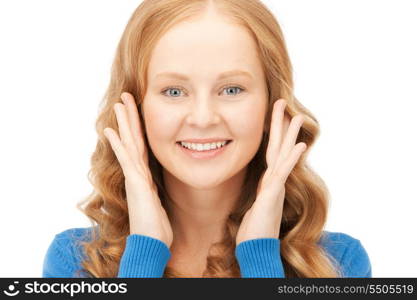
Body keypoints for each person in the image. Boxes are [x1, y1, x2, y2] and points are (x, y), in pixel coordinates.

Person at [42, 0, 371, 278]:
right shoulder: (76, 263)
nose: (202, 118)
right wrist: (145, 248)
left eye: (232, 89)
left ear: (273, 107)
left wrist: (260, 255)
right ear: (135, 107)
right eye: (173, 91)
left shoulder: (338, 264)